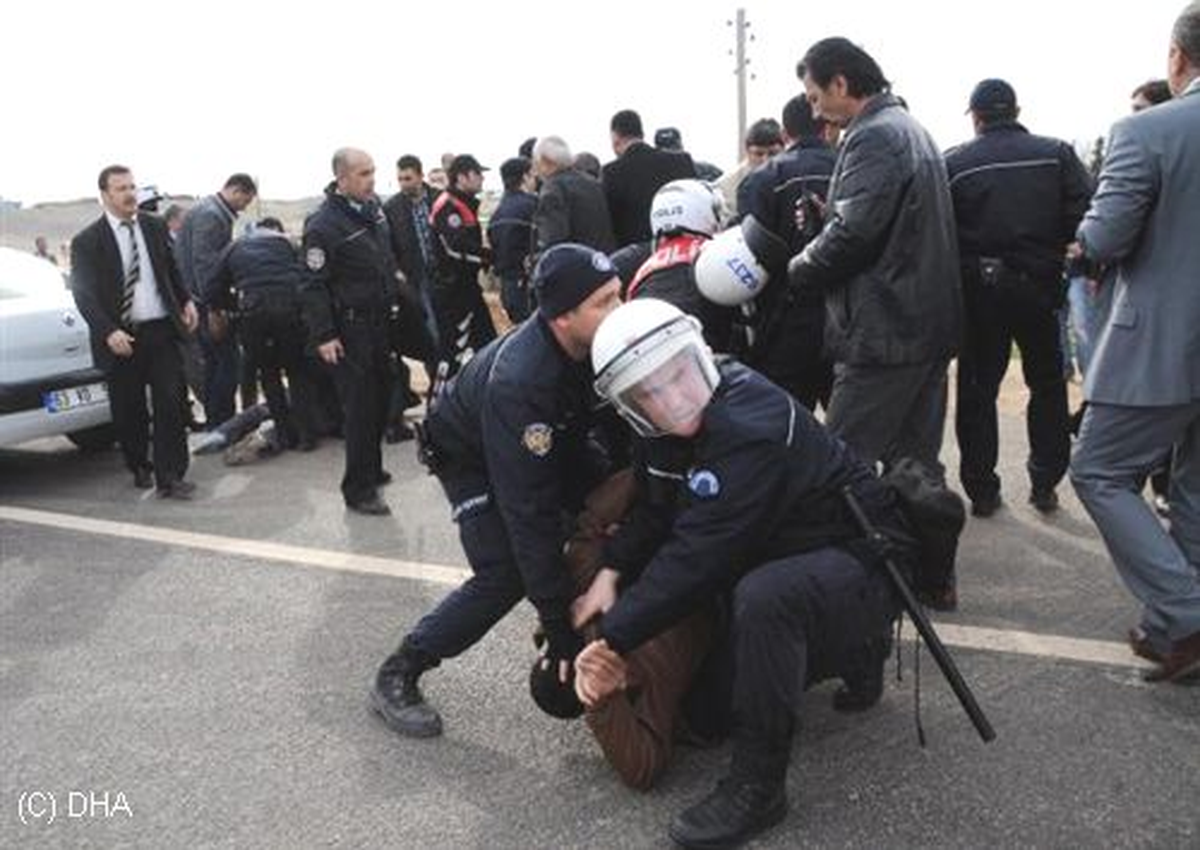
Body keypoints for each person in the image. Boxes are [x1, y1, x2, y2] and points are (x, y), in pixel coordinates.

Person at [574, 298, 912, 849]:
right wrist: (611, 569)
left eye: (677, 374)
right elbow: (659, 508)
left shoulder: (749, 421)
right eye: (648, 394)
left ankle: (759, 787)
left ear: (697, 355)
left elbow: (697, 557)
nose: (671, 397)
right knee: (707, 719)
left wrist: (613, 638)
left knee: (766, 597)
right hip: (798, 549)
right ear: (631, 404)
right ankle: (858, 654)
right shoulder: (663, 428)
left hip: (867, 560)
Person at [369, 243, 623, 738]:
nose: (618, 310)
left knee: (614, 503)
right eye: (603, 302)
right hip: (472, 459)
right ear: (562, 317)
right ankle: (401, 668)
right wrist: (557, 625)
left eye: (618, 294)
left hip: (555, 435)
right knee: (505, 570)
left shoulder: (596, 342)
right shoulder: (522, 382)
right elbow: (527, 513)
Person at [1070, 1, 1200, 684]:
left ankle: (1186, 611)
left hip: (1162, 343)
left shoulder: (1147, 130)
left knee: (1098, 470)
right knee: (1194, 488)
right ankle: (1176, 631)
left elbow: (1107, 235)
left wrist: (1081, 242)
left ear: (1177, 58)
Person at [788, 37, 962, 474]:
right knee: (914, 466)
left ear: (841, 83)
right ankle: (919, 543)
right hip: (919, 324)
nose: (814, 112)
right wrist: (828, 216)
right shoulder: (909, 128)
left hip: (884, 331)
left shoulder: (875, 136)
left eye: (815, 97)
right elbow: (890, 221)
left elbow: (852, 236)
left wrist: (796, 268)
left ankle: (853, 544)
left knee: (840, 465)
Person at [946, 78, 1093, 517]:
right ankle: (1044, 482)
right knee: (1047, 386)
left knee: (977, 390)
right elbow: (1084, 216)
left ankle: (983, 491)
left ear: (976, 117)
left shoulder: (955, 162)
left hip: (981, 293)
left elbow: (942, 231)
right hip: (1041, 287)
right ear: (1017, 110)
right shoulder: (1057, 153)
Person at [70, 164, 199, 498]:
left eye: (132, 186)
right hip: (122, 337)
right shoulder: (88, 241)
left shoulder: (154, 227)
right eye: (120, 188)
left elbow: (171, 269)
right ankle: (140, 464)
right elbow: (84, 294)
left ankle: (170, 476)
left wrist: (186, 301)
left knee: (171, 401)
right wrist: (107, 331)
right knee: (130, 410)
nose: (130, 194)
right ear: (105, 196)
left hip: (160, 331)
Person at [300, 148, 402, 516]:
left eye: (373, 171)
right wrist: (325, 334)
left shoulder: (371, 212)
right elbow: (312, 285)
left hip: (378, 324)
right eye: (362, 173)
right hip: (350, 328)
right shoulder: (324, 225)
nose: (371, 179)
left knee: (379, 401)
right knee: (359, 409)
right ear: (342, 179)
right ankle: (358, 490)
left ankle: (371, 469)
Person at [740, 95, 838, 410]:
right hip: (847, 318)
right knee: (852, 433)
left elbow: (747, 257)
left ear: (785, 134)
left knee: (789, 425)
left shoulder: (760, 180)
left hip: (783, 321)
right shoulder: (851, 168)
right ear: (826, 127)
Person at [207, 217, 317, 451]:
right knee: (297, 373)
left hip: (254, 314)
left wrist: (232, 305)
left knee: (269, 375)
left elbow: (213, 287)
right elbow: (308, 274)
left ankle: (285, 435)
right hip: (290, 310)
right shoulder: (287, 242)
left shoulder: (235, 246)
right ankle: (307, 435)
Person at [174, 172, 258, 428]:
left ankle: (216, 421)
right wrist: (215, 308)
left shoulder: (205, 211)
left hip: (199, 299)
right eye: (245, 201)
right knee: (226, 363)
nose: (244, 208)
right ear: (236, 191)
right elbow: (206, 266)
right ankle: (224, 423)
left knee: (213, 363)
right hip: (206, 302)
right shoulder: (212, 216)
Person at [428, 153, 496, 374]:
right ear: (463, 177)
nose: (482, 180)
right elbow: (455, 248)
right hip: (452, 292)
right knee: (452, 355)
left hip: (468, 288)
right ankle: (439, 406)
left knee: (489, 346)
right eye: (478, 174)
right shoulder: (448, 206)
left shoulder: (464, 204)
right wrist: (490, 256)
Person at [602, 109, 697, 248]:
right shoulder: (681, 161)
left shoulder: (611, 172)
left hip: (636, 257)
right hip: (682, 249)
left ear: (615, 137)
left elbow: (611, 221)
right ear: (642, 133)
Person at [532, 135, 616, 256]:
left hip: (575, 267)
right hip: (603, 262)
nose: (535, 170)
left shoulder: (552, 189)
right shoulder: (593, 183)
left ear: (546, 161)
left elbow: (553, 242)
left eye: (536, 163)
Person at [487, 156, 538, 323]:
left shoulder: (496, 215)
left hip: (507, 288)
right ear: (524, 177)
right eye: (532, 175)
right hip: (530, 286)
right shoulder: (534, 205)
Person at [716, 118, 784, 219]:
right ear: (747, 152)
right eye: (759, 154)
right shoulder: (726, 186)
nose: (766, 160)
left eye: (773, 154)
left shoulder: (792, 176)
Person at [653, 126, 722, 181]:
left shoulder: (706, 170)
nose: (671, 157)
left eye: (674, 151)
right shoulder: (652, 177)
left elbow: (724, 183)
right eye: (665, 153)